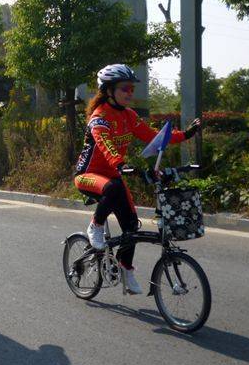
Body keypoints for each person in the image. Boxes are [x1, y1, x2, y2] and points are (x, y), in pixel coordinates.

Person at [74, 63, 202, 294]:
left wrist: (186, 134)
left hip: (113, 175)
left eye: (132, 89)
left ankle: (125, 269)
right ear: (108, 90)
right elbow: (106, 145)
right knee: (113, 188)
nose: (130, 93)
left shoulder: (129, 116)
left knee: (131, 226)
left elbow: (154, 138)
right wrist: (121, 165)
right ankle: (96, 226)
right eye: (125, 88)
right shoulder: (99, 117)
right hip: (88, 176)